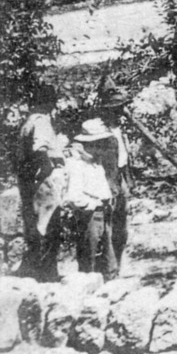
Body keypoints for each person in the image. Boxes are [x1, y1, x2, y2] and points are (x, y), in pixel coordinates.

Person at [15, 84, 65, 281]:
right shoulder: (42, 122)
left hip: (30, 181)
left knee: (36, 226)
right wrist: (50, 169)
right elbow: (39, 149)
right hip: (42, 182)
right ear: (49, 103)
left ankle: (40, 271)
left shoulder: (29, 121)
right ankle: (47, 273)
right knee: (49, 225)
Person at [70, 114, 130, 278]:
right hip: (90, 211)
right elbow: (74, 195)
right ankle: (86, 279)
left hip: (103, 208)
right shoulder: (78, 165)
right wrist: (91, 204)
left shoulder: (97, 164)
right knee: (89, 247)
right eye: (98, 144)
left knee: (107, 244)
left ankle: (109, 276)